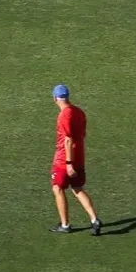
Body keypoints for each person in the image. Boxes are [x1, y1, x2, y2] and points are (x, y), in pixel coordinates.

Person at [49, 84, 102, 236]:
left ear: (54, 98)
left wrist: (68, 163)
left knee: (57, 188)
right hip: (79, 157)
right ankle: (94, 219)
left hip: (64, 159)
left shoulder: (63, 115)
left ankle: (65, 225)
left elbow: (67, 140)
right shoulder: (79, 112)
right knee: (78, 188)